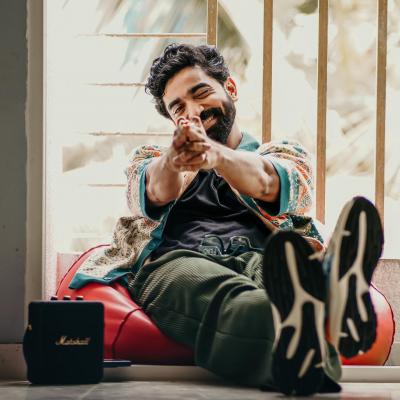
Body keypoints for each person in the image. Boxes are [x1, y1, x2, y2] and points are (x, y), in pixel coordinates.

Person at [69, 44, 384, 395]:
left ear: (230, 89)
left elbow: (267, 181)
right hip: (176, 260)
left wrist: (216, 155)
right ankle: (327, 305)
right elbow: (154, 190)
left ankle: (322, 293)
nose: (194, 111)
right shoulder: (152, 157)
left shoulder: (279, 153)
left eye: (201, 93)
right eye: (179, 108)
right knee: (246, 305)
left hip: (267, 257)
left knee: (290, 287)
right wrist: (175, 158)